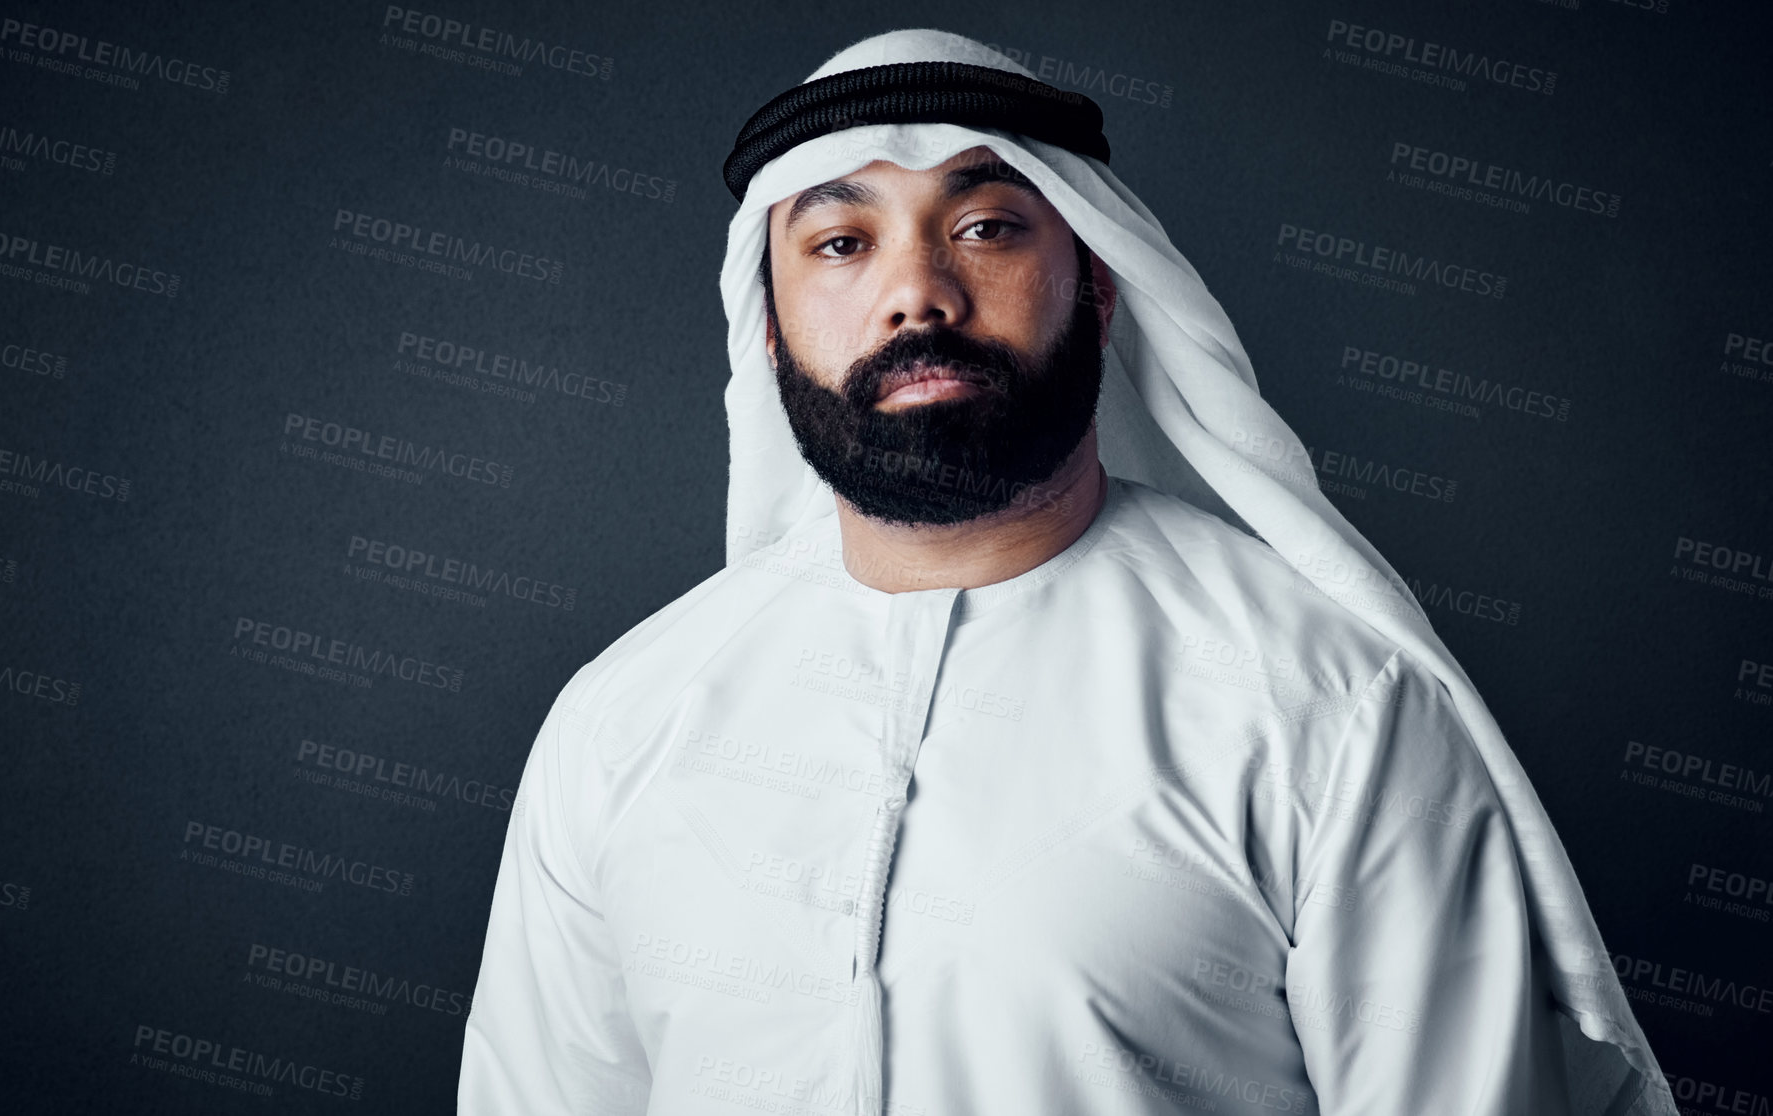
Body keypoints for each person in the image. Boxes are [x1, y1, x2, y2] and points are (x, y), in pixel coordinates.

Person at [457, 28, 1674, 1116]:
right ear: (768, 329)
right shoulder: (620, 724)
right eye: (840, 241)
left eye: (985, 227)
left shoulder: (1332, 713)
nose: (915, 294)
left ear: (1096, 285)